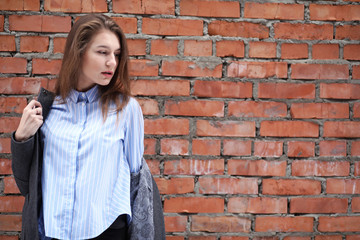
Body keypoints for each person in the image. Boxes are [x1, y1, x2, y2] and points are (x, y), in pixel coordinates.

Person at [11, 14, 165, 240]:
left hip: (107, 232)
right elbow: (27, 186)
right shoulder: (47, 110)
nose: (112, 61)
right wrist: (21, 138)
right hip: (52, 233)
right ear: (79, 52)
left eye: (117, 54)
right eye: (103, 52)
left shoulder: (127, 109)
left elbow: (136, 184)